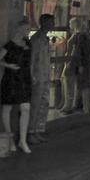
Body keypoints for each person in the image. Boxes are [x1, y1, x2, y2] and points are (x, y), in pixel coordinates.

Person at [1, 20, 33, 153]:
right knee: (7, 107)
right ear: (19, 29)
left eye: (29, 29)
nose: (28, 32)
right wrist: (8, 65)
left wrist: (32, 75)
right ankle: (9, 138)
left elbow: (29, 61)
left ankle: (22, 140)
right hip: (12, 78)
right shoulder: (9, 45)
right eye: (26, 29)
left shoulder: (28, 44)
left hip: (24, 78)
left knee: (26, 107)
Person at [28, 14, 54, 145]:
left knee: (44, 104)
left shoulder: (45, 39)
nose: (52, 25)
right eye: (50, 22)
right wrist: (32, 76)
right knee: (35, 105)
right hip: (38, 77)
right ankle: (31, 132)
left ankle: (38, 130)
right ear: (43, 23)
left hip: (45, 76)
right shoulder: (36, 39)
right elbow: (32, 60)